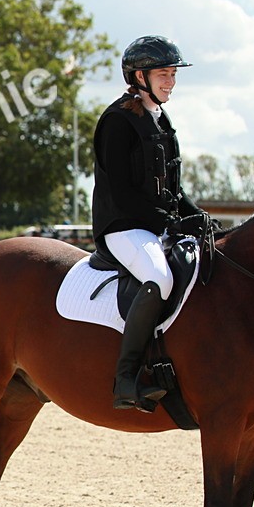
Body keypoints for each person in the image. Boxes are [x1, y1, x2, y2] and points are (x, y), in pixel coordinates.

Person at [91, 35, 205, 411]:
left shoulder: (161, 118)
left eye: (173, 74)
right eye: (163, 74)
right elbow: (122, 192)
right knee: (160, 278)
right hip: (122, 227)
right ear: (139, 75)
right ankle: (126, 378)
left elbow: (173, 186)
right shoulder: (118, 121)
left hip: (154, 226)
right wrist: (169, 222)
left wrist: (198, 218)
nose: (170, 81)